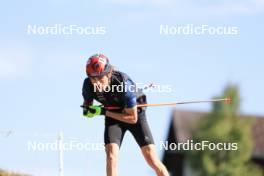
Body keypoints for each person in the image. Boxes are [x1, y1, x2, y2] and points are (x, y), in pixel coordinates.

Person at [82, 53, 169, 176]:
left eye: (100, 79)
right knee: (111, 156)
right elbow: (87, 105)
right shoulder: (88, 85)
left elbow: (132, 119)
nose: (97, 84)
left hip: (134, 114)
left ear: (109, 74)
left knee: (151, 158)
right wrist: (87, 110)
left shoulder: (123, 84)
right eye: (93, 79)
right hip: (113, 115)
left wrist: (102, 111)